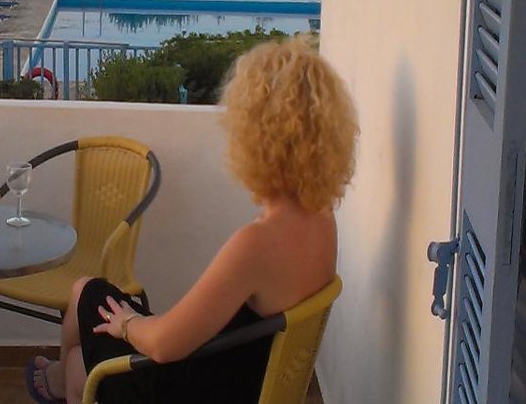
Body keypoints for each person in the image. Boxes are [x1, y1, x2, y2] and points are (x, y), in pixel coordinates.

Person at [27, 37, 359, 404]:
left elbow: (165, 345)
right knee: (84, 317)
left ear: (254, 139)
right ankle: (61, 381)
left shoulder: (258, 243)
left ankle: (60, 382)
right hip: (241, 376)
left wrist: (128, 324)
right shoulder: (321, 219)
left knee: (85, 302)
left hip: (203, 386)